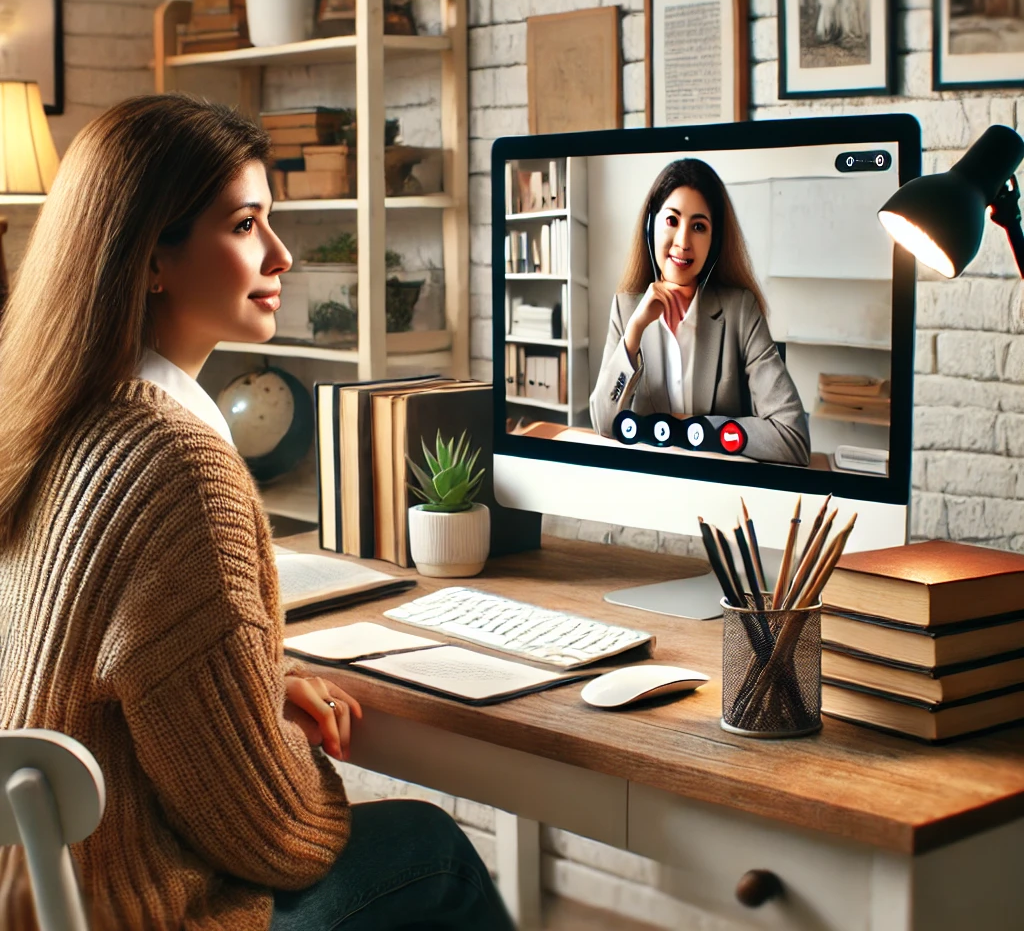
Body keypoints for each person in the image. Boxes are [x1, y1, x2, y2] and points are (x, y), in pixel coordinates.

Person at [0, 94, 513, 931]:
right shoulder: (179, 462)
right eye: (245, 225)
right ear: (151, 256)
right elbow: (270, 837)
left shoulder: (48, 420)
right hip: (135, 911)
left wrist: (249, 688)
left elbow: (88, 667)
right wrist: (287, 756)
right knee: (429, 847)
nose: (280, 254)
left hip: (27, 902)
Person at [589, 158, 810, 466]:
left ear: (714, 241)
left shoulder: (740, 311)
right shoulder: (627, 309)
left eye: (698, 227)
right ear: (651, 225)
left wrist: (696, 429)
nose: (683, 242)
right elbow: (603, 421)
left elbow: (793, 438)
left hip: (717, 492)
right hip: (648, 488)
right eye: (672, 221)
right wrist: (635, 329)